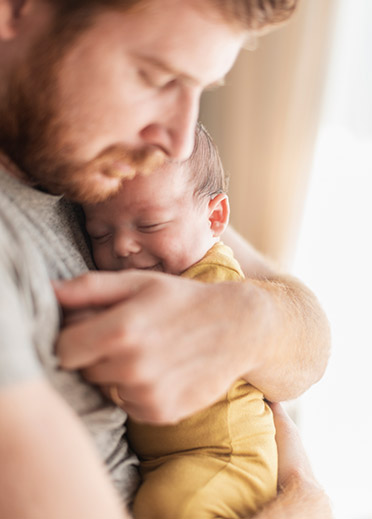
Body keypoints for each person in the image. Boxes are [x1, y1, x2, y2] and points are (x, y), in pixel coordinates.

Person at [0, 0, 331, 517]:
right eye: (155, 77)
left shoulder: (104, 161)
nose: (178, 138)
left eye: (200, 89)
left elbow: (311, 346)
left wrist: (244, 321)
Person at [83, 122, 278, 519]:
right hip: (169, 459)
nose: (121, 246)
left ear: (214, 217)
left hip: (226, 458)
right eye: (99, 234)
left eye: (150, 225)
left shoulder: (214, 284)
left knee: (173, 507)